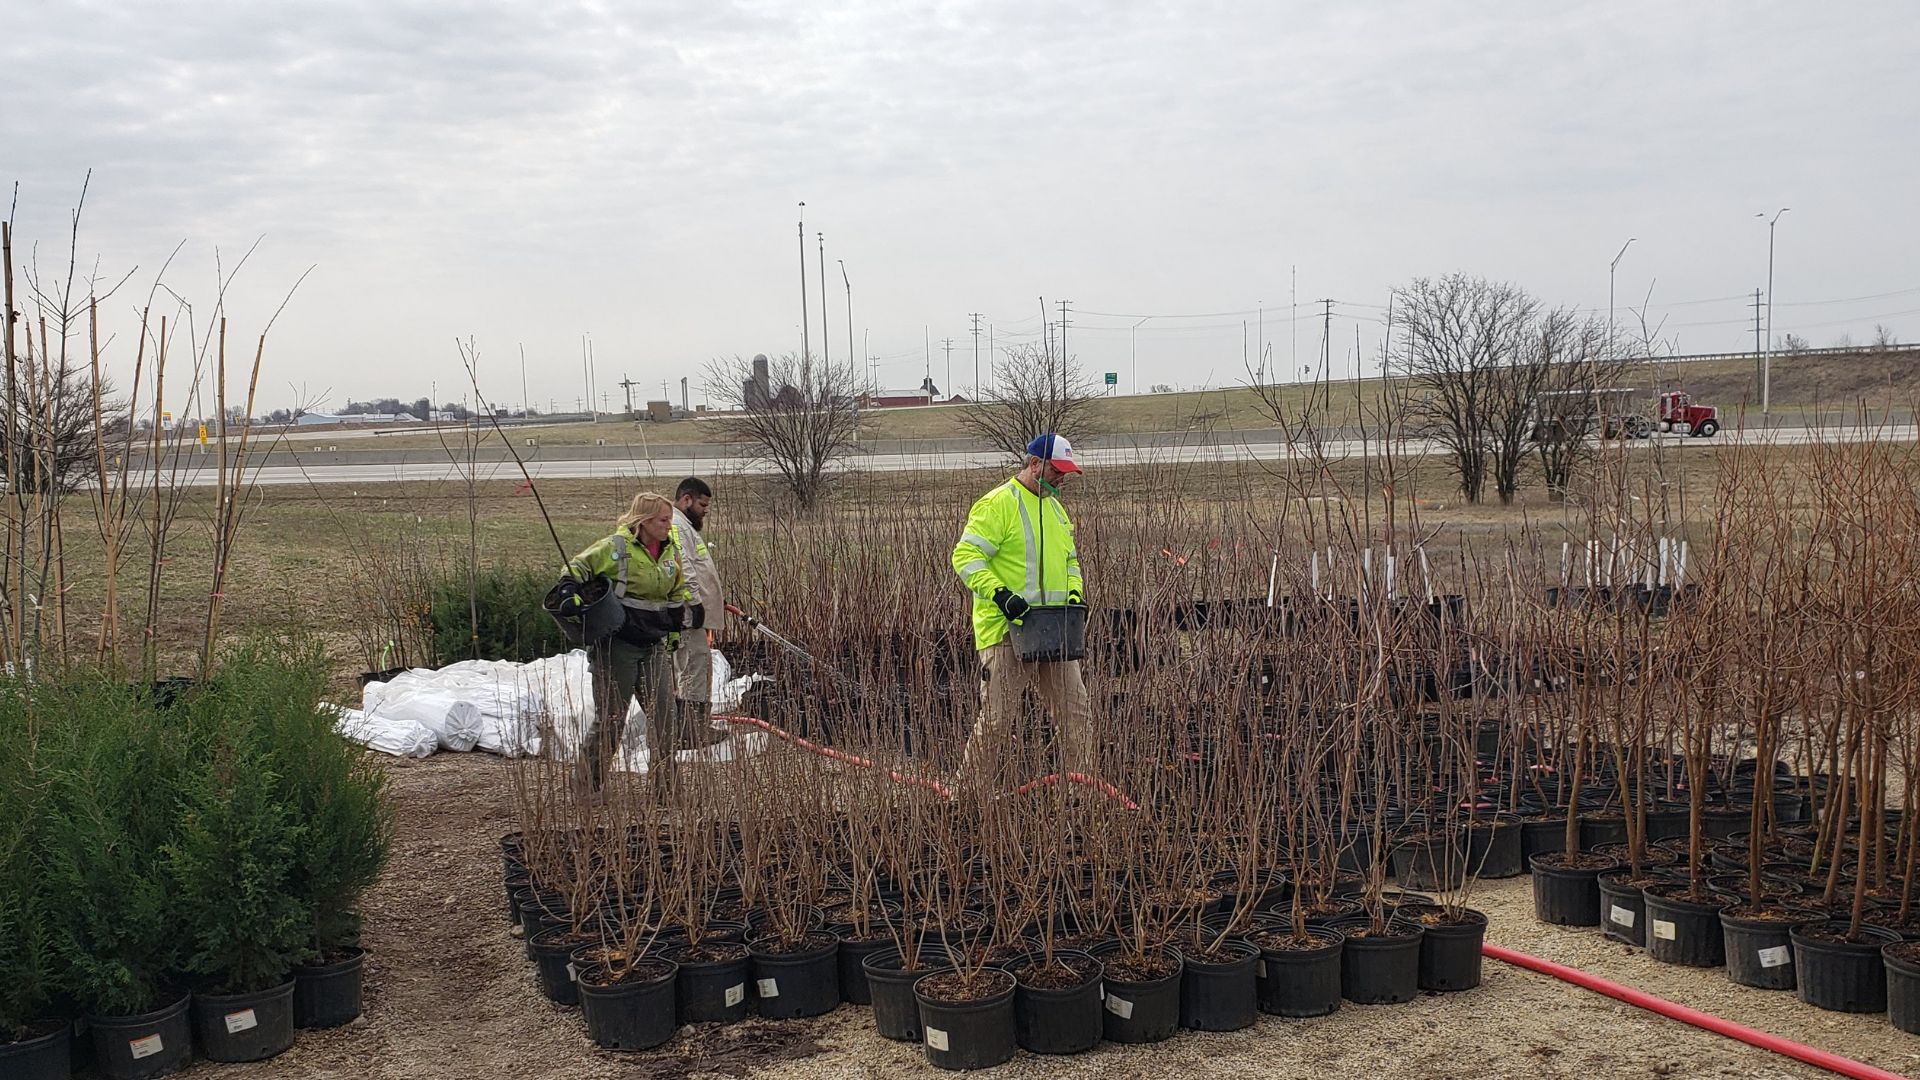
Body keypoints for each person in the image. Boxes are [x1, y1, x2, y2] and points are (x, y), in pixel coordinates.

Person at [950, 433, 1094, 792]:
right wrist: (1001, 596)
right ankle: (966, 795)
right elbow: (965, 557)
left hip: (1055, 630)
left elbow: (1070, 562)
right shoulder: (997, 504)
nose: (1061, 479)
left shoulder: (1056, 508)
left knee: (1077, 713)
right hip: (1006, 630)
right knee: (997, 720)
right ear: (1034, 465)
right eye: (1056, 471)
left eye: (1065, 473)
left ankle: (1083, 791)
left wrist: (1075, 594)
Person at [566, 491, 702, 794]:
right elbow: (576, 569)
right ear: (644, 521)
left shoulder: (670, 553)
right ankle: (587, 786)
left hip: (653, 645)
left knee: (666, 718)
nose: (670, 525)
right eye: (663, 520)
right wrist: (570, 592)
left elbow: (676, 593)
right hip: (617, 647)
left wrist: (678, 626)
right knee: (612, 720)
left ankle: (666, 789)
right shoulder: (615, 548)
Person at [671, 477, 726, 735]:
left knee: (698, 662)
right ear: (686, 500)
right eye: (702, 504)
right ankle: (692, 730)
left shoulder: (685, 526)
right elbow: (685, 570)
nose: (705, 510)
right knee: (694, 664)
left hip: (694, 613)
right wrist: (695, 603)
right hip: (688, 614)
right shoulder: (677, 526)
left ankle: (696, 725)